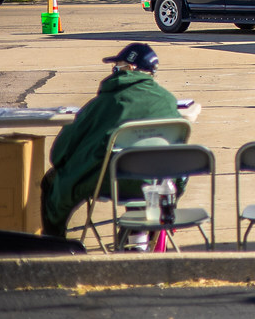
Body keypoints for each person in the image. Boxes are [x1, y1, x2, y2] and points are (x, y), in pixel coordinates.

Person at [41, 43, 182, 239]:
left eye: (117, 67)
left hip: (103, 180)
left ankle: (55, 245)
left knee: (51, 181)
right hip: (153, 183)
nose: (113, 72)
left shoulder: (104, 102)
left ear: (131, 68)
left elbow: (58, 154)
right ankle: (139, 231)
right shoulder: (168, 102)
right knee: (142, 174)